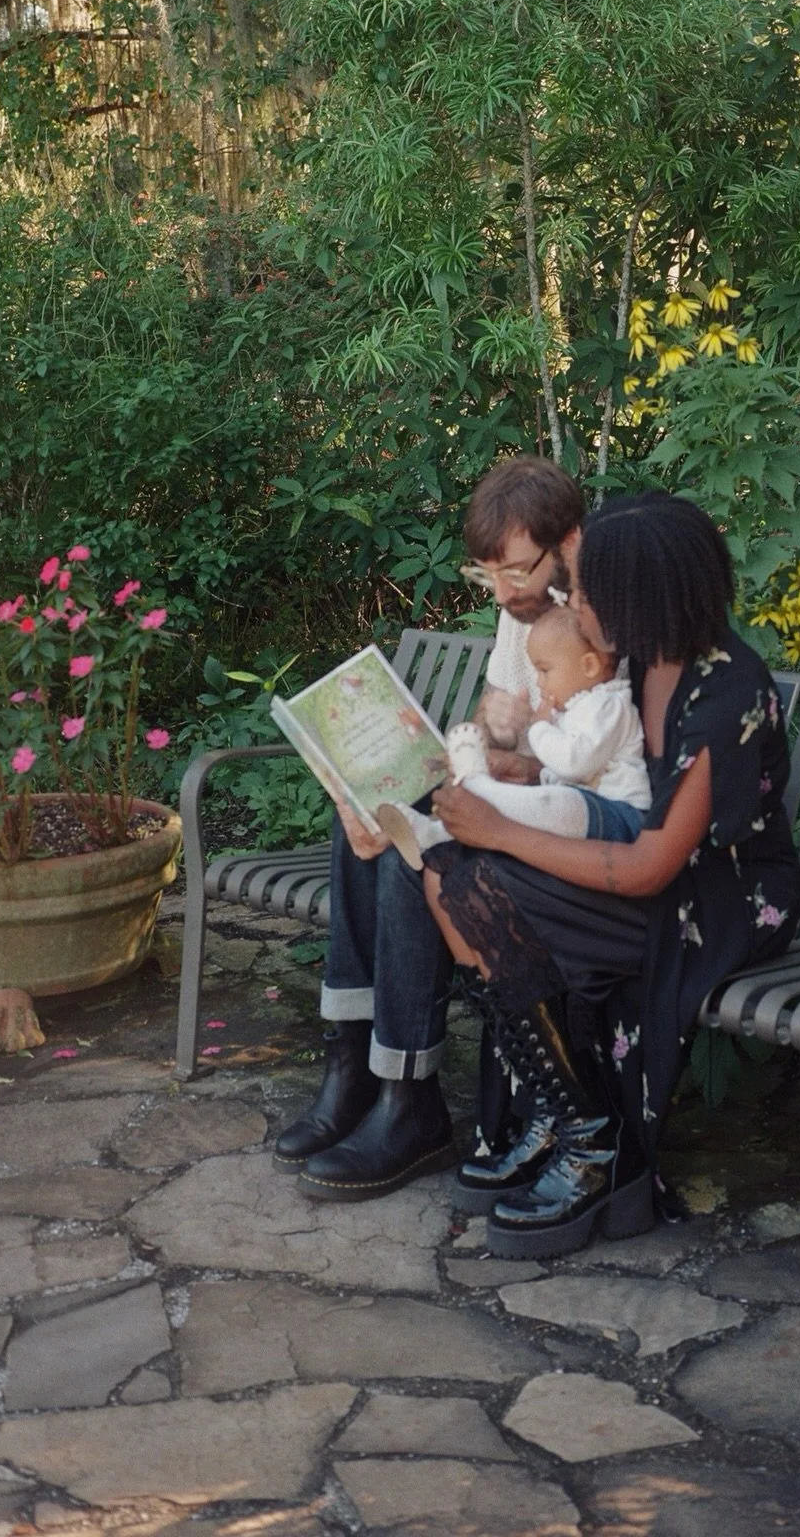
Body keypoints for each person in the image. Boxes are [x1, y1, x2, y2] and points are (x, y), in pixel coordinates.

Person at [422, 491, 800, 1259]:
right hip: (642, 862)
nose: (573, 603)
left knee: (474, 883)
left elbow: (649, 868)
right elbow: (601, 770)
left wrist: (502, 830)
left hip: (714, 896)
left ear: (642, 600)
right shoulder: (638, 660)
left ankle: (594, 1145)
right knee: (448, 874)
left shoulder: (723, 695)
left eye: (589, 594)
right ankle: (569, 1118)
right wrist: (522, 775)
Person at [275, 455, 585, 1202]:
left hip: (559, 835)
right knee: (371, 807)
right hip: (511, 803)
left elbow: (598, 774)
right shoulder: (522, 611)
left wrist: (521, 752)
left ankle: (410, 1097)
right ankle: (356, 1066)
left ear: (569, 542)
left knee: (414, 852)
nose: (504, 593)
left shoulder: (602, 618)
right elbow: (492, 728)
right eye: (489, 576)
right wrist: (494, 733)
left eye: (516, 572)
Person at [379, 604, 651, 866]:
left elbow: (573, 763)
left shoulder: (609, 706)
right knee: (538, 804)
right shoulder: (577, 707)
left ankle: (478, 784)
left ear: (589, 666)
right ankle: (431, 833)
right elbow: (565, 773)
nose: (538, 683)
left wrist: (538, 727)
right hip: (587, 808)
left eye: (545, 671)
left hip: (620, 815)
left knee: (556, 803)